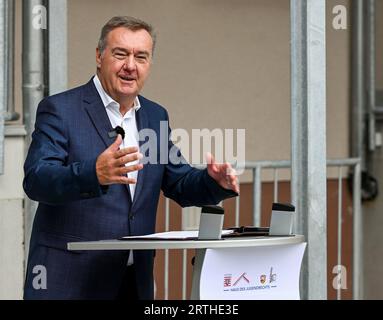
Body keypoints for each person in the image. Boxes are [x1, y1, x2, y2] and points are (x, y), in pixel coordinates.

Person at [23, 16, 239, 300]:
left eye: (141, 56)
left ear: (149, 64)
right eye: (120, 54)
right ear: (99, 56)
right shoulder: (60, 110)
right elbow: (37, 179)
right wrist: (93, 174)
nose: (130, 66)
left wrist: (213, 181)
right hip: (69, 278)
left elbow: (179, 181)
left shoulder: (154, 115)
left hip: (132, 280)